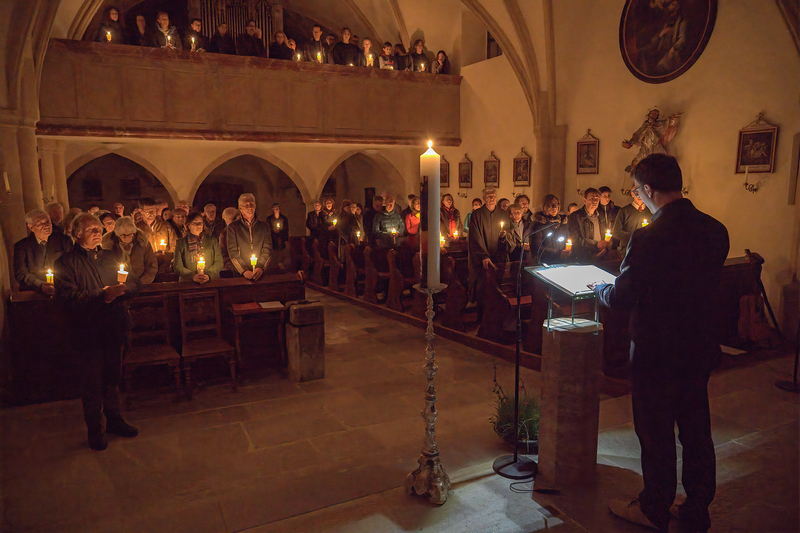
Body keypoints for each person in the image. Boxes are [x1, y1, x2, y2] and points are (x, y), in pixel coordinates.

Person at [593, 154, 729, 533]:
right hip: (698, 345)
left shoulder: (650, 237)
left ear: (649, 189)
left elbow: (623, 296)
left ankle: (654, 507)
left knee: (655, 431)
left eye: (637, 191)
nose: (638, 196)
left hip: (656, 350)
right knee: (696, 429)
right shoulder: (715, 229)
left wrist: (601, 289)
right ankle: (697, 509)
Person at [55, 213, 138, 451]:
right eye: (91, 229)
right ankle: (95, 429)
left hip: (113, 326)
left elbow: (135, 282)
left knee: (113, 378)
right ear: (77, 233)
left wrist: (125, 289)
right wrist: (103, 295)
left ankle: (114, 420)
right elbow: (68, 297)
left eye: (98, 228)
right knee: (92, 382)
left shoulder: (110, 256)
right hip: (87, 331)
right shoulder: (66, 262)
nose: (97, 232)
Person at [14, 209, 73, 294]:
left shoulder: (63, 241)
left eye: (48, 222)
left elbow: (71, 267)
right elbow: (21, 273)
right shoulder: (22, 246)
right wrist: (40, 284)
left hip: (61, 290)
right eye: (41, 224)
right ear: (31, 227)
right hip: (34, 292)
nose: (46, 226)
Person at [468, 188, 510, 302]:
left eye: (493, 196)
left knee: (497, 289)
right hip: (482, 259)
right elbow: (475, 237)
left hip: (498, 257)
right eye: (488, 196)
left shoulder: (502, 213)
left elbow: (508, 232)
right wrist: (484, 256)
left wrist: (503, 237)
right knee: (483, 290)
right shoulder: (477, 214)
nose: (491, 198)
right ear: (484, 198)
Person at [101, 216, 158, 284]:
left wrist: (142, 281)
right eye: (123, 235)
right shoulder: (108, 245)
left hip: (139, 283)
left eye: (130, 235)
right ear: (117, 234)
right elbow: (105, 266)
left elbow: (151, 265)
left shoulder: (142, 243)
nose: (127, 238)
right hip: (115, 284)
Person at [226, 193, 271, 278]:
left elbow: (267, 248)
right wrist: (244, 270)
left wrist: (260, 267)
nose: (250, 207)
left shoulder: (264, 226)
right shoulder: (233, 228)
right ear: (240, 208)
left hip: (260, 273)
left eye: (252, 204)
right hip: (240, 274)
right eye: (246, 205)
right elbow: (233, 251)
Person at [622, 108, 681, 173]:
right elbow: (638, 133)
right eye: (652, 113)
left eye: (655, 114)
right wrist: (631, 142)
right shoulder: (645, 124)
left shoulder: (658, 124)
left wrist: (673, 118)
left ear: (657, 116)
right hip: (646, 144)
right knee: (639, 159)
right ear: (649, 114)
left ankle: (666, 169)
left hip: (655, 143)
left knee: (662, 156)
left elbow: (667, 122)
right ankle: (633, 169)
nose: (653, 115)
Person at [173, 210, 223, 283]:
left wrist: (208, 275)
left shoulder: (212, 240)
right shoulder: (181, 243)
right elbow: (178, 266)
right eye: (195, 223)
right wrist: (192, 276)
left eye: (200, 223)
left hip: (211, 281)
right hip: (188, 283)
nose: (198, 226)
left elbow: (219, 262)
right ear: (188, 226)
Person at [567, 188, 610, 262]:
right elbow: (576, 239)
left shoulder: (601, 216)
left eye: (597, 199)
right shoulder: (575, 216)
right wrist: (596, 244)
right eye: (591, 199)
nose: (595, 201)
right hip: (583, 257)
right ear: (584, 200)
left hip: (600, 256)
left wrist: (605, 247)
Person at [531, 194, 569, 264]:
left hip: (560, 261)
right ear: (544, 206)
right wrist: (558, 253)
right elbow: (537, 248)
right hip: (544, 262)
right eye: (551, 205)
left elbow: (566, 239)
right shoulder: (538, 224)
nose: (554, 207)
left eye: (556, 204)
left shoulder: (561, 223)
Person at [219, 206, 239, 271]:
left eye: (232, 219)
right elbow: (223, 252)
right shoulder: (224, 233)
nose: (230, 221)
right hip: (231, 266)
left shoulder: (242, 231)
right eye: (228, 219)